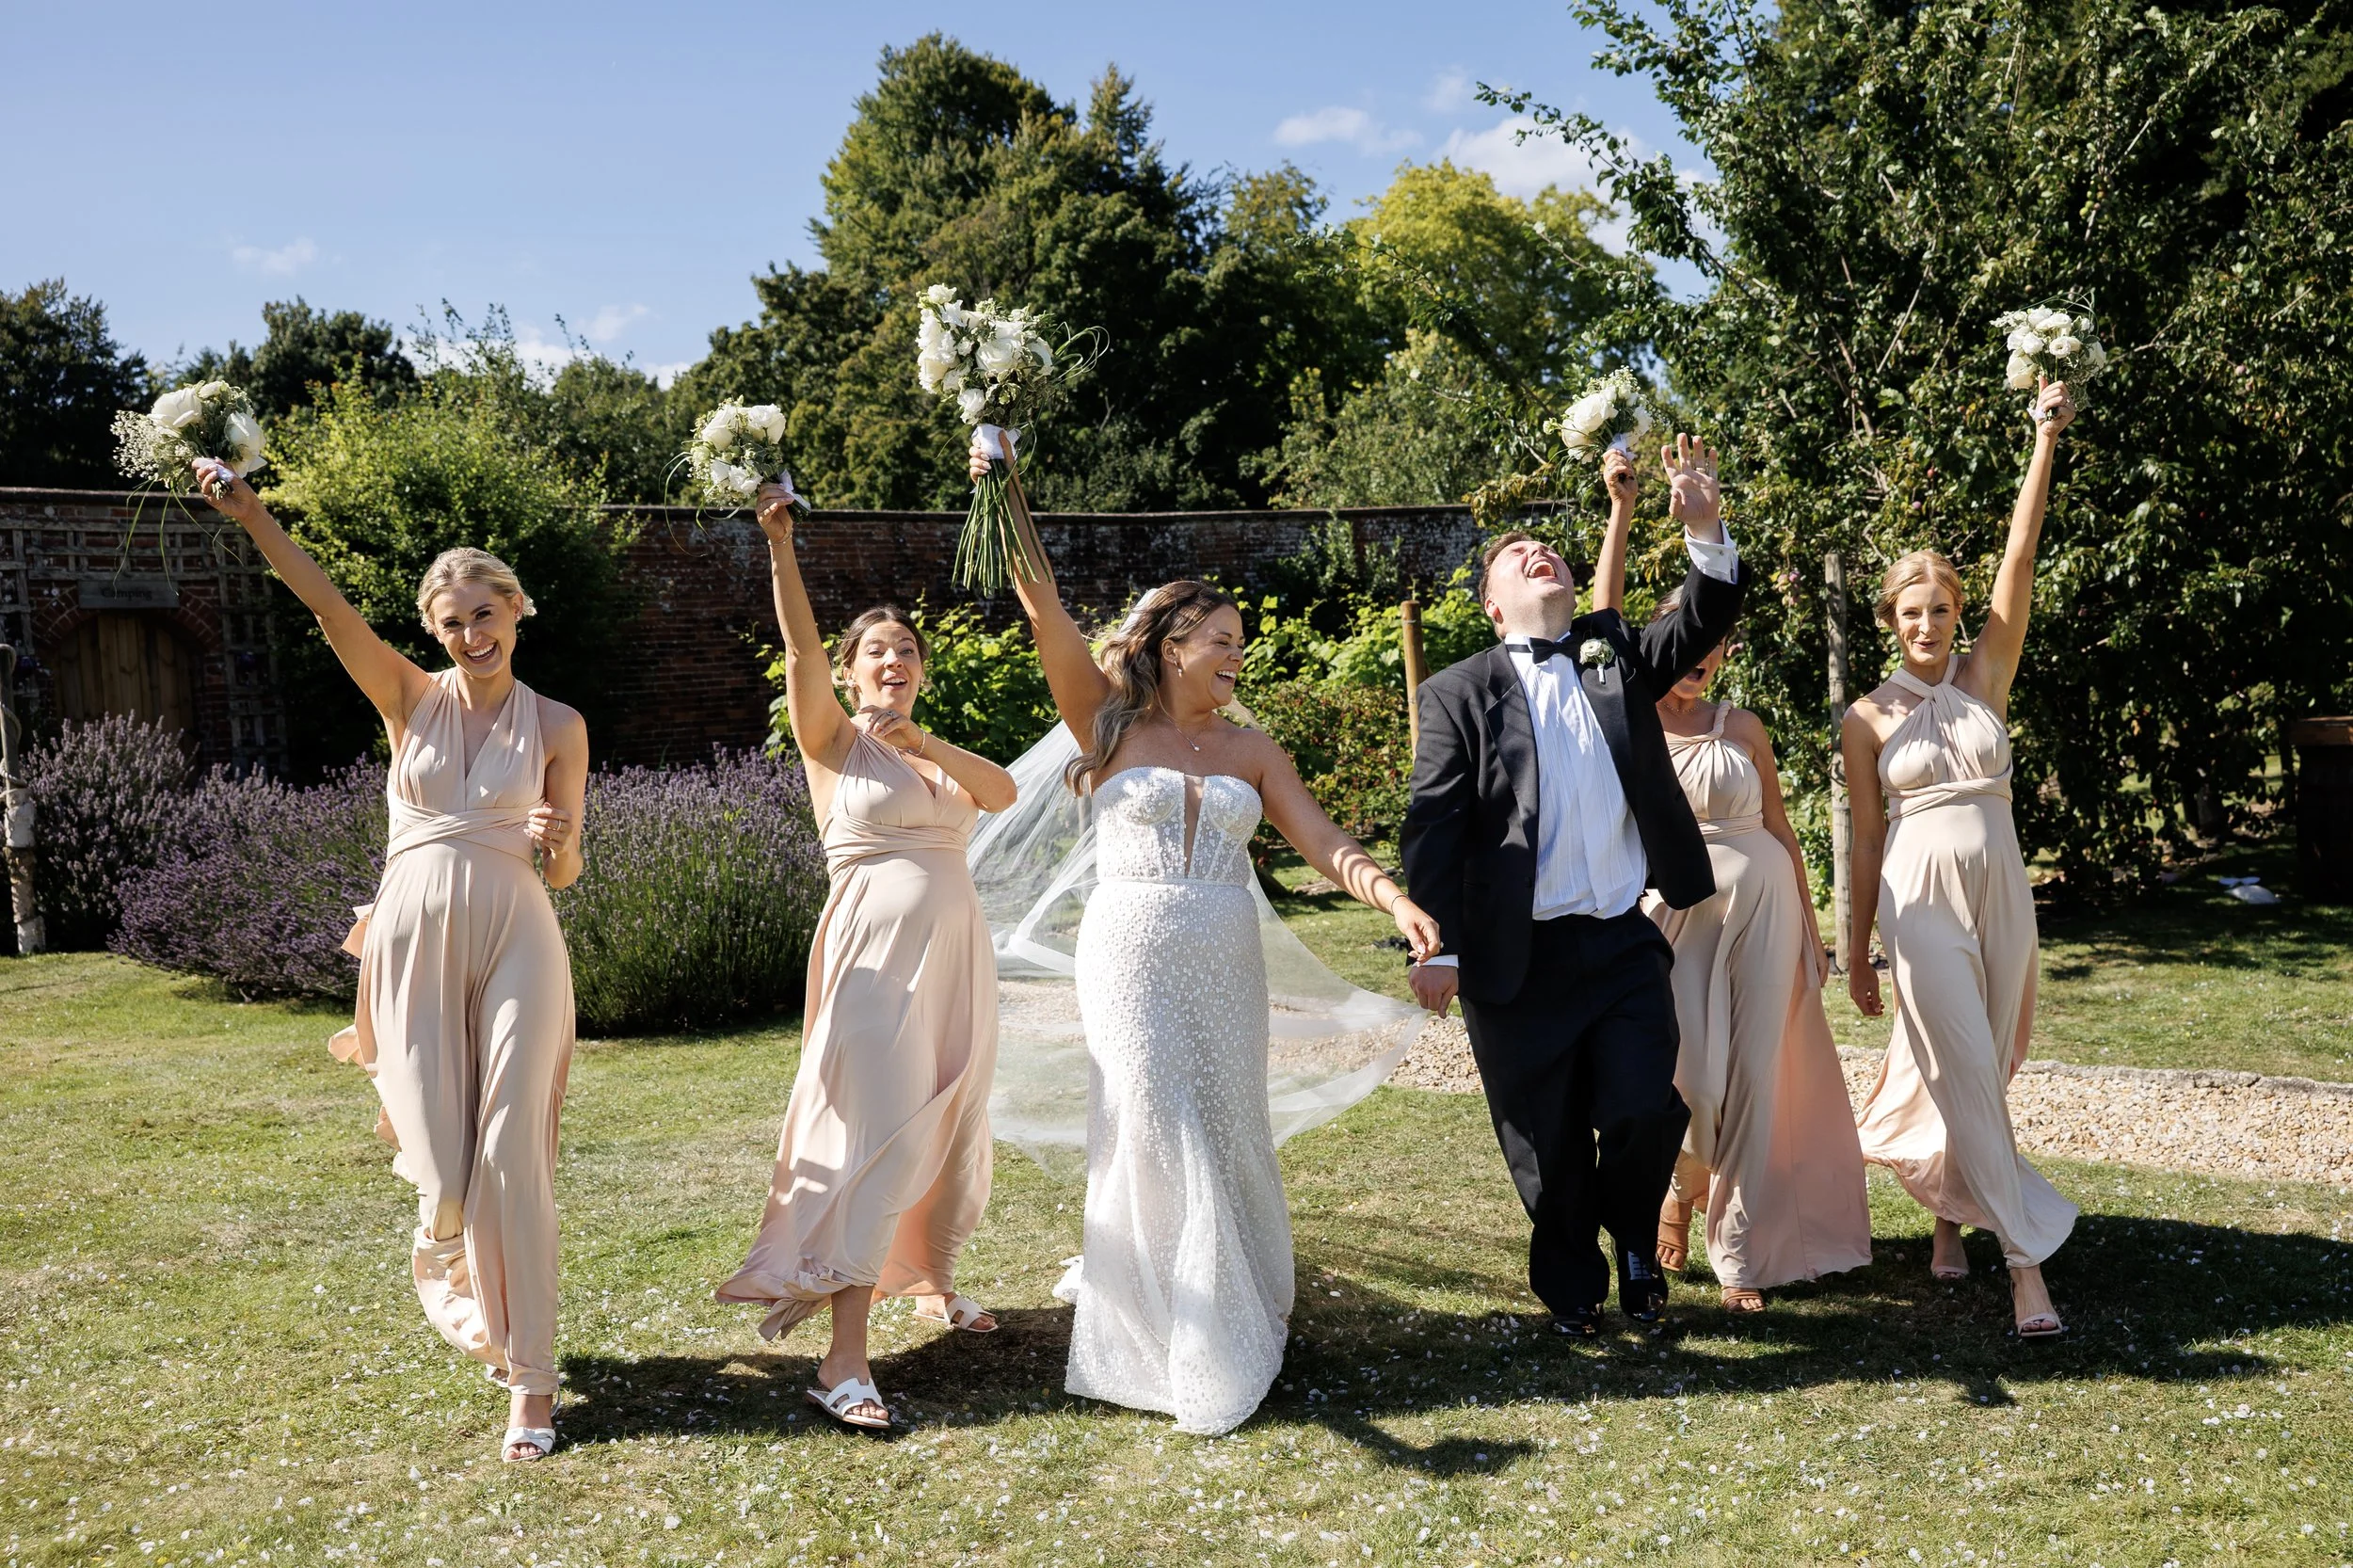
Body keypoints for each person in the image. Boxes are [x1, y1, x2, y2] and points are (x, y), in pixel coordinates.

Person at [973, 440, 1442, 1436]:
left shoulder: (1252, 748)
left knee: (1226, 1117)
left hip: (1223, 949)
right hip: (1131, 947)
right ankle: (1168, 1324)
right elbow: (1041, 602)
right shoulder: (1103, 723)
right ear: (1170, 641)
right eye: (1221, 638)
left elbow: (1321, 840)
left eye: (1241, 641)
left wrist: (1392, 900)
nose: (1238, 655)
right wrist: (1002, 471)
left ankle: (1239, 1298)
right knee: (1148, 1115)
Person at [192, 458, 587, 1464]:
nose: (470, 633)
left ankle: (531, 1386)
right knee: (449, 1174)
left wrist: (556, 838)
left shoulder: (560, 725)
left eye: (484, 612)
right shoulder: (408, 697)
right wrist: (252, 515)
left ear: (516, 608)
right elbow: (324, 606)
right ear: (434, 630)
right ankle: (456, 1264)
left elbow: (571, 866)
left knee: (511, 1159)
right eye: (451, 620)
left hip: (517, 931)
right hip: (411, 934)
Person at [1402, 435, 1746, 1336]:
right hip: (1517, 958)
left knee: (1643, 1104)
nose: (1535, 552)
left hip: (1623, 940)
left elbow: (1700, 621)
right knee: (1546, 1146)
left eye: (1543, 547)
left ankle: (1634, 1236)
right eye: (1515, 557)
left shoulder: (1614, 659)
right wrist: (1440, 944)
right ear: (1493, 603)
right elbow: (1433, 826)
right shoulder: (1456, 693)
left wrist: (1704, 529)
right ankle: (1573, 1290)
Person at [715, 483, 1017, 1431]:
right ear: (849, 674)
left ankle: (931, 1282)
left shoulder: (932, 755)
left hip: (957, 963)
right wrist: (779, 547)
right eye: (875, 651)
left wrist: (925, 739)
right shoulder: (832, 744)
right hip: (874, 968)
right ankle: (842, 1360)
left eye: (907, 649)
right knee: (876, 1139)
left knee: (951, 1131)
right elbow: (798, 646)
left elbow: (1002, 792)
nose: (894, 659)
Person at [1845, 378, 2081, 1338]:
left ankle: (1946, 1217)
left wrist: (2043, 441)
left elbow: (2019, 561)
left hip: (2000, 890)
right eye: (1910, 612)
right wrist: (1854, 946)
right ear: (1890, 622)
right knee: (1964, 1062)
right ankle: (2026, 1265)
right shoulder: (1866, 717)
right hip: (1917, 899)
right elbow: (1864, 836)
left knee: (1980, 1064)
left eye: (1939, 608)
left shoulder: (1987, 680)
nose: (1927, 624)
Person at [1632, 597, 1871, 1311]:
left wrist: (1810, 923)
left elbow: (1781, 829)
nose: (1701, 659)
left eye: (1715, 646)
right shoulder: (1631, 725)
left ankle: (1739, 1253)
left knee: (1755, 1079)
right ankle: (1680, 1188)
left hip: (1765, 905)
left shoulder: (1743, 727)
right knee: (1690, 1080)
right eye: (1688, 645)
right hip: (1677, 917)